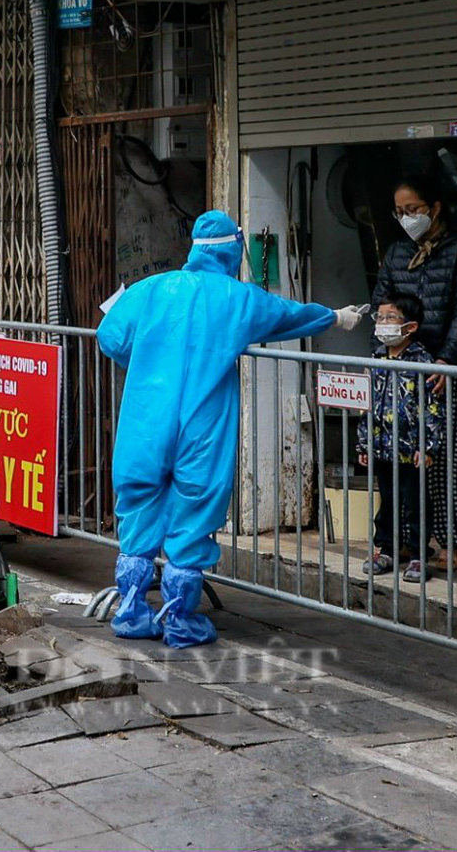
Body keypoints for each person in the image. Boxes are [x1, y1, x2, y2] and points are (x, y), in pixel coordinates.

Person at [98, 211, 362, 648]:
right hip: (201, 425)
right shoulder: (239, 299)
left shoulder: (150, 289)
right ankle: (179, 619)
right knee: (193, 510)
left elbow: (110, 337)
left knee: (139, 506)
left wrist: (146, 359)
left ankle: (131, 608)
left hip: (145, 421)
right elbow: (290, 316)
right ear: (232, 251)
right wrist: (336, 317)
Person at [372, 176, 457, 573]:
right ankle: (402, 541)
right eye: (399, 212)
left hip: (442, 371)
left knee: (442, 460)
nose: (406, 218)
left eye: (413, 210)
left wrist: (446, 360)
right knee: (397, 461)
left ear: (434, 208)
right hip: (400, 369)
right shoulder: (398, 252)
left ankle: (450, 541)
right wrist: (380, 354)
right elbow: (380, 303)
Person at [356, 294, 441, 581]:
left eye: (390, 318)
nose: (382, 323)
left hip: (411, 451)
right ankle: (387, 550)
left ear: (410, 327)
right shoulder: (376, 358)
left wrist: (427, 446)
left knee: (415, 502)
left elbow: (431, 407)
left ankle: (418, 556)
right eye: (379, 317)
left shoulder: (422, 361)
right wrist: (364, 443)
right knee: (388, 502)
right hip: (382, 448)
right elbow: (366, 404)